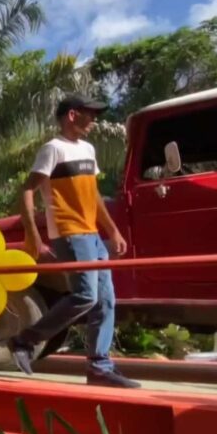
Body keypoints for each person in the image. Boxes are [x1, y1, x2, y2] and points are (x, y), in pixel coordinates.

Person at [10, 94, 139, 389]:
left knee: (106, 300)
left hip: (92, 234)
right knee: (85, 296)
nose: (93, 120)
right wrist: (32, 234)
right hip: (69, 232)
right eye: (89, 114)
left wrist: (112, 231)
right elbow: (27, 190)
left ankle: (99, 367)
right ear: (71, 115)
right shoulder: (53, 149)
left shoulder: (88, 150)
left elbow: (93, 195)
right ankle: (24, 340)